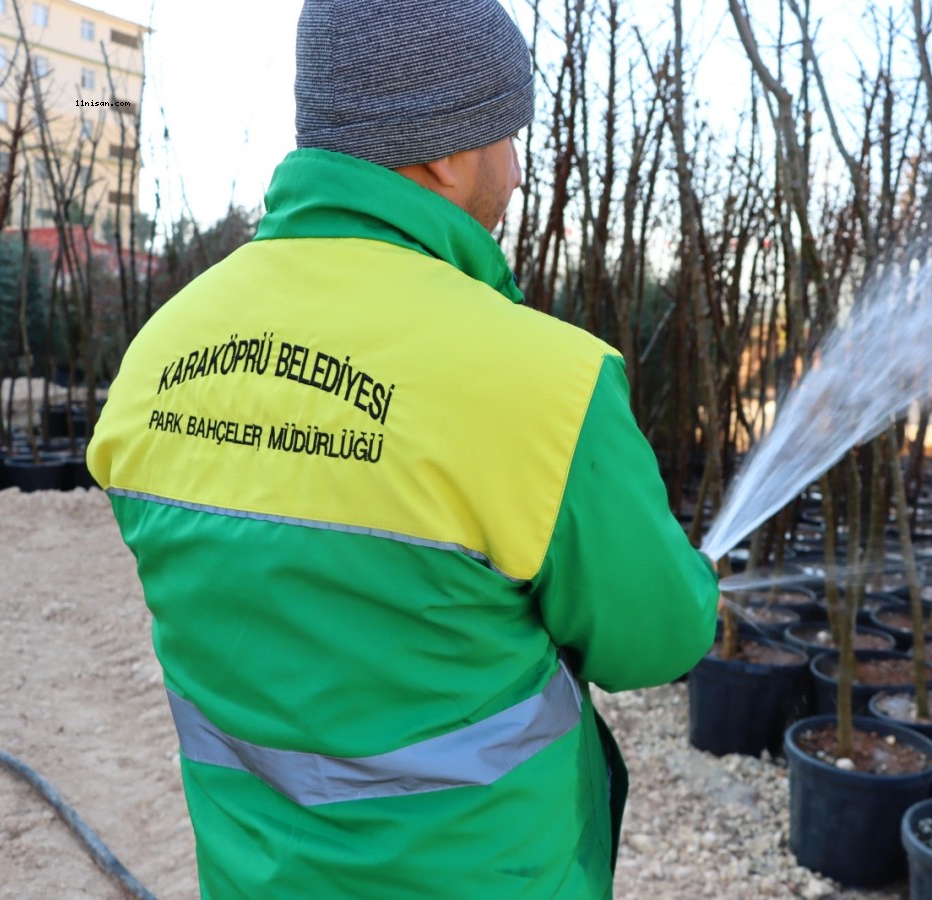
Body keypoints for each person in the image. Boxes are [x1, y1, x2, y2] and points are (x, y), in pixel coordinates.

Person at [85, 1, 718, 896]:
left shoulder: (155, 359)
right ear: (448, 154)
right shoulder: (544, 385)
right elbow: (654, 641)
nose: (516, 167)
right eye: (508, 134)